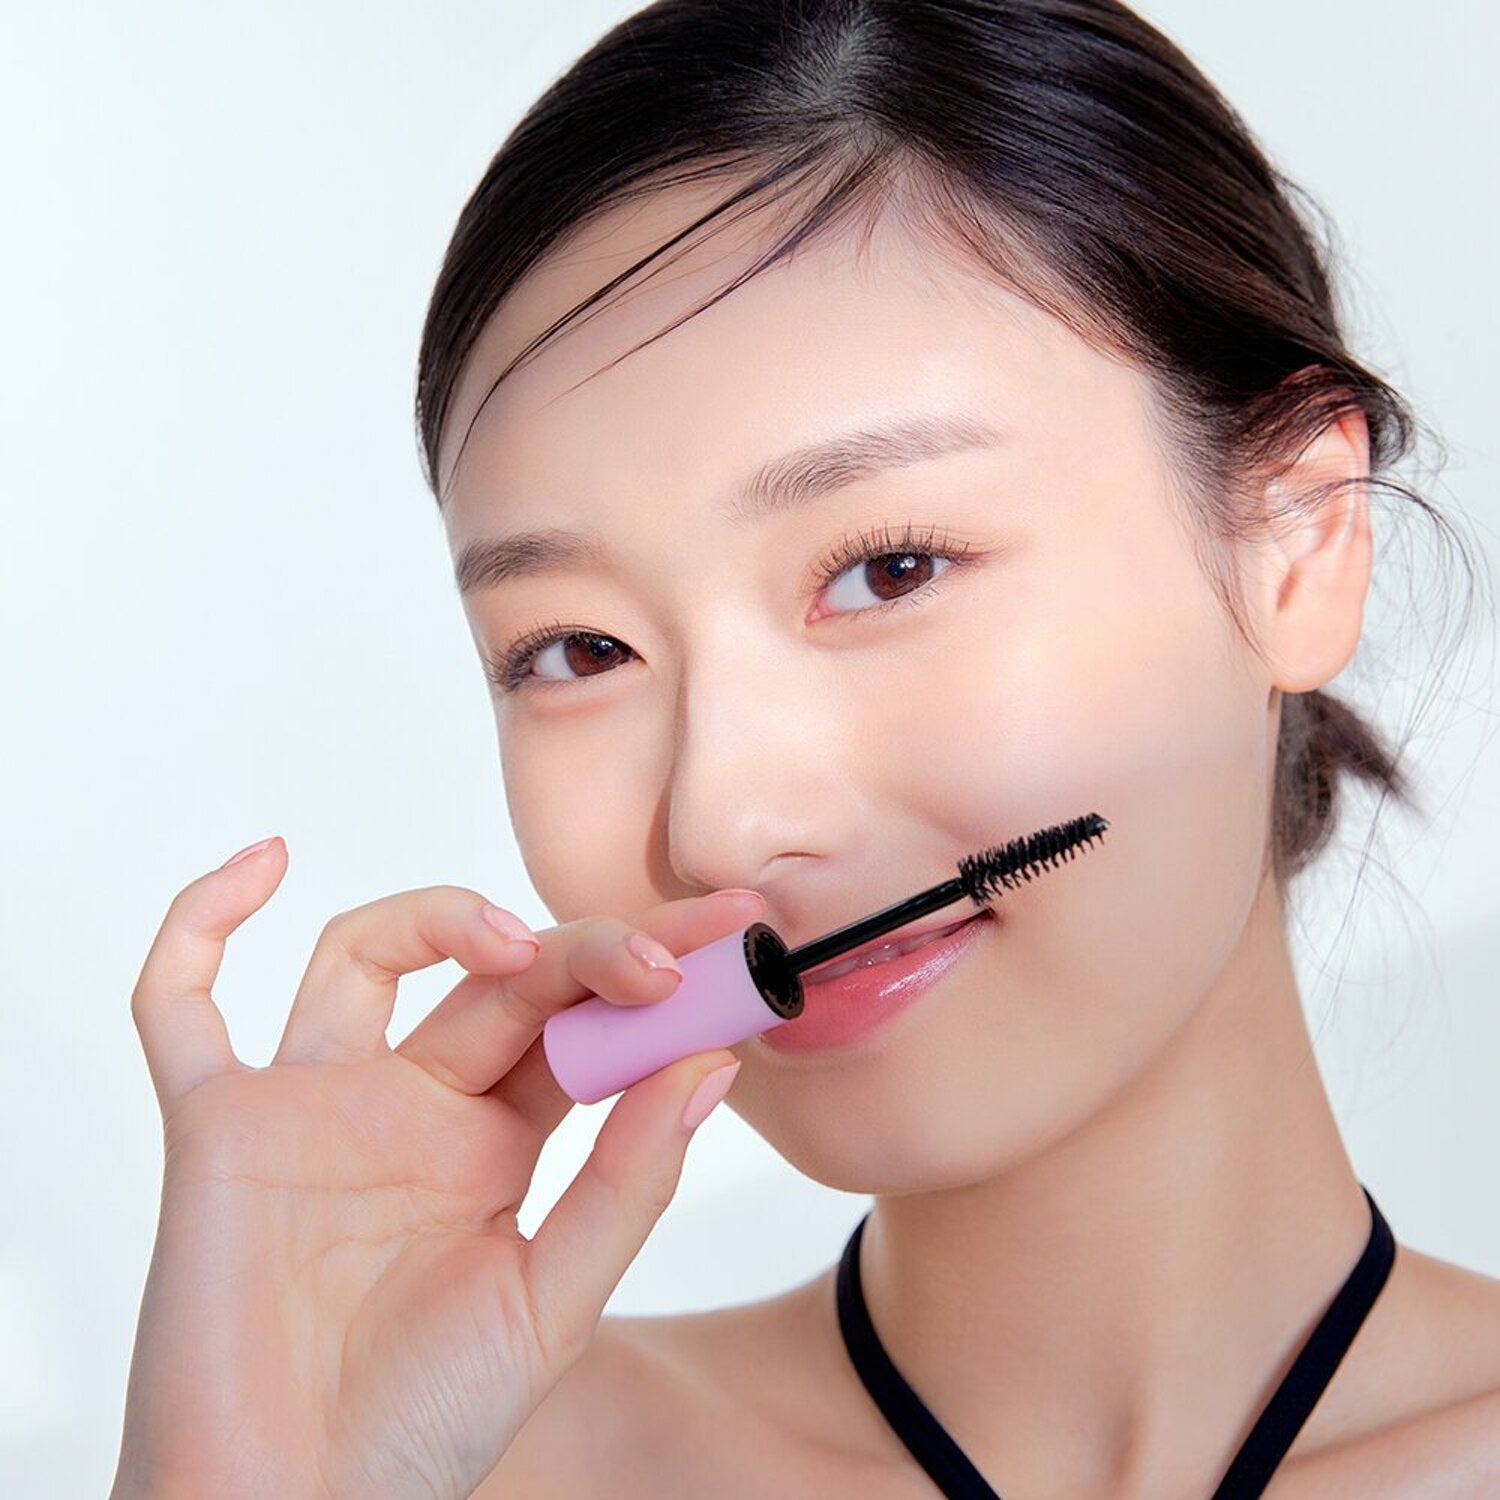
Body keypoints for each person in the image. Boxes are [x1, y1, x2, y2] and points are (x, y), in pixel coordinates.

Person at [111, 1, 1500, 1496]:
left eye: (890, 569)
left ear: (1297, 544)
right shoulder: (443, 1465)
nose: (717, 819)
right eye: (579, 651)